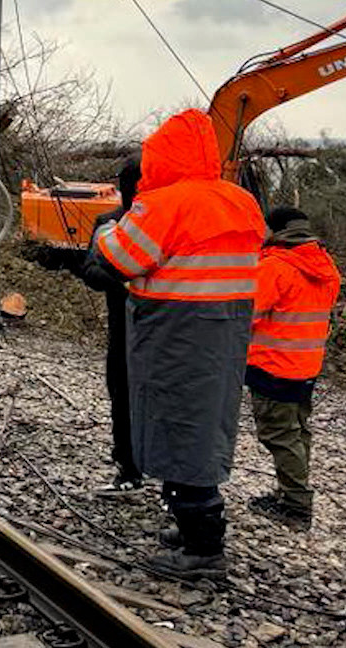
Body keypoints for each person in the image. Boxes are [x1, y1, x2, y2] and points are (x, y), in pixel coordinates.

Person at [91, 108, 264, 579]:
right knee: (203, 430)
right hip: (225, 335)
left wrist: (105, 228)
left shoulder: (164, 203)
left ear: (162, 158)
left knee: (174, 428)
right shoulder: (240, 201)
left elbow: (121, 257)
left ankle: (202, 549)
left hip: (175, 335)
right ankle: (194, 527)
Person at [244, 206, 342, 528]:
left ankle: (296, 505)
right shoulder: (325, 265)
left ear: (276, 230)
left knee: (279, 435)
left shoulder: (276, 267)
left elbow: (247, 312)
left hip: (274, 366)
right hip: (306, 365)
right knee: (298, 432)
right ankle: (290, 494)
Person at [77, 155, 142, 495]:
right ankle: (130, 468)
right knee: (122, 396)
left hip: (136, 331)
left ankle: (134, 471)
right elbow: (90, 270)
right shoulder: (110, 222)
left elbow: (89, 270)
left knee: (127, 397)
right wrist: (121, 281)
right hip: (130, 329)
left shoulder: (115, 221)